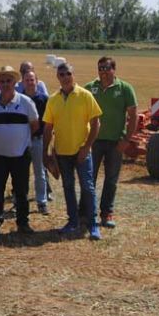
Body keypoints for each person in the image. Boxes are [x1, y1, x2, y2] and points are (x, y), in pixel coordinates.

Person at [43, 61, 103, 241]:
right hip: (62, 152)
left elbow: (96, 124)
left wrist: (86, 147)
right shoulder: (53, 99)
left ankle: (92, 224)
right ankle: (73, 221)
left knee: (87, 187)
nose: (65, 77)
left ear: (73, 75)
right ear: (57, 78)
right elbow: (48, 127)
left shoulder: (85, 96)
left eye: (68, 74)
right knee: (68, 187)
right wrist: (46, 151)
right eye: (61, 75)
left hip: (82, 152)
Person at [0, 66, 40, 235]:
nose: (5, 84)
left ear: (15, 82)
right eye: (2, 81)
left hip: (20, 155)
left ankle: (23, 223)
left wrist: (20, 140)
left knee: (21, 191)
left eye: (9, 81)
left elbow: (35, 126)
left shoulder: (26, 103)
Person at [84, 56, 138, 229]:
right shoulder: (90, 88)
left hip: (116, 142)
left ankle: (106, 213)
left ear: (114, 69)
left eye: (107, 68)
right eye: (100, 68)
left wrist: (126, 140)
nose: (103, 72)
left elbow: (133, 116)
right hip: (94, 141)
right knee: (88, 178)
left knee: (111, 180)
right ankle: (85, 211)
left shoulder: (125, 88)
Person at [21, 70, 51, 214]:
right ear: (22, 82)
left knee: (40, 172)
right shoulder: (18, 99)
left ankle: (42, 202)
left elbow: (48, 122)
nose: (30, 82)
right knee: (21, 173)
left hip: (38, 140)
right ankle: (20, 201)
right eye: (27, 80)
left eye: (32, 79)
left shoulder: (44, 99)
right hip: (22, 141)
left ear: (37, 82)